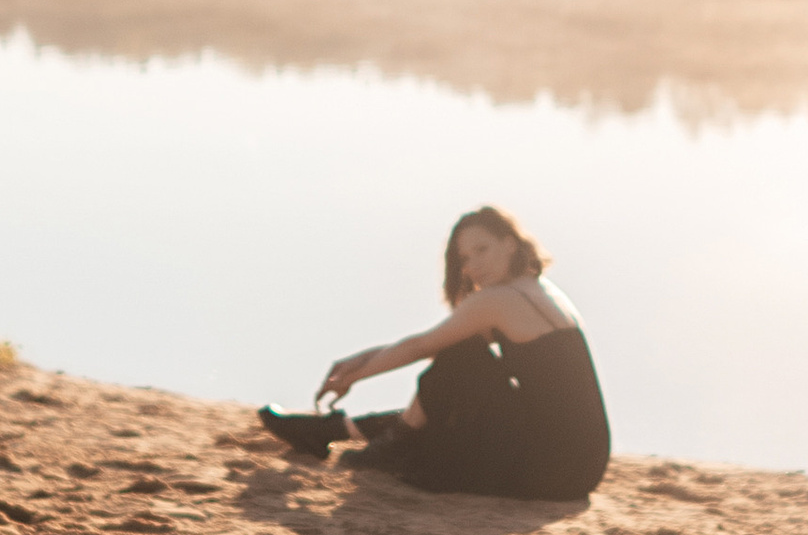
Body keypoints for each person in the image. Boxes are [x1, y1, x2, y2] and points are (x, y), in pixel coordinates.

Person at [259, 205, 610, 501]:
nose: (472, 267)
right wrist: (361, 359)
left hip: (554, 470)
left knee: (460, 358)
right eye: (464, 258)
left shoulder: (496, 301)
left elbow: (421, 347)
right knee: (459, 367)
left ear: (510, 243)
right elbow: (430, 342)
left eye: (481, 250)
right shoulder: (542, 290)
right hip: (585, 464)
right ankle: (334, 430)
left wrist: (352, 375)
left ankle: (374, 439)